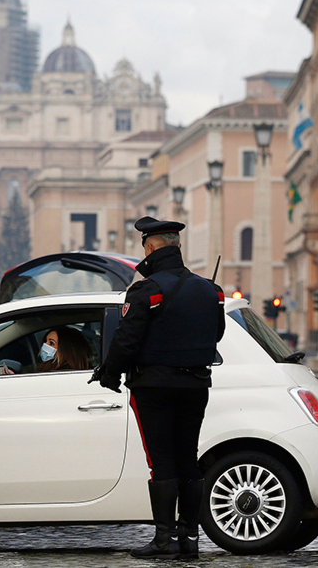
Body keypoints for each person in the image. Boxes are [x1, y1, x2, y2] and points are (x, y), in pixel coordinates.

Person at [91, 217, 225, 559]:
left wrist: (109, 374)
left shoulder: (147, 290)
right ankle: (190, 539)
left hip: (153, 387)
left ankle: (164, 540)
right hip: (196, 385)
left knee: (161, 462)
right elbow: (218, 333)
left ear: (150, 248)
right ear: (177, 247)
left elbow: (127, 339)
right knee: (188, 460)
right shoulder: (211, 290)